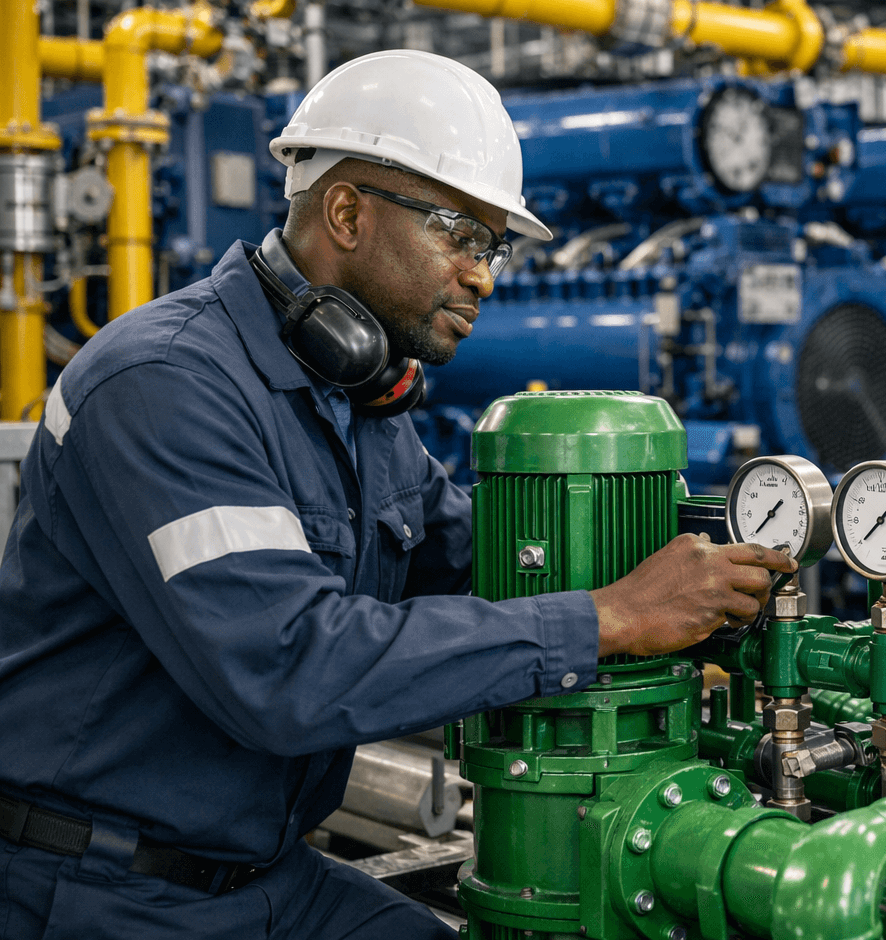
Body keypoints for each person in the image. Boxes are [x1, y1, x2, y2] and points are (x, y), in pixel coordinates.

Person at [0, 50, 792, 939]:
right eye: (461, 234)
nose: (484, 274)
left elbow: (478, 568)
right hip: (103, 887)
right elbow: (290, 668)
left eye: (492, 244)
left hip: (267, 875)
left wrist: (712, 569)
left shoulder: (355, 398)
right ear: (345, 210)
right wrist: (608, 617)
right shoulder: (163, 385)